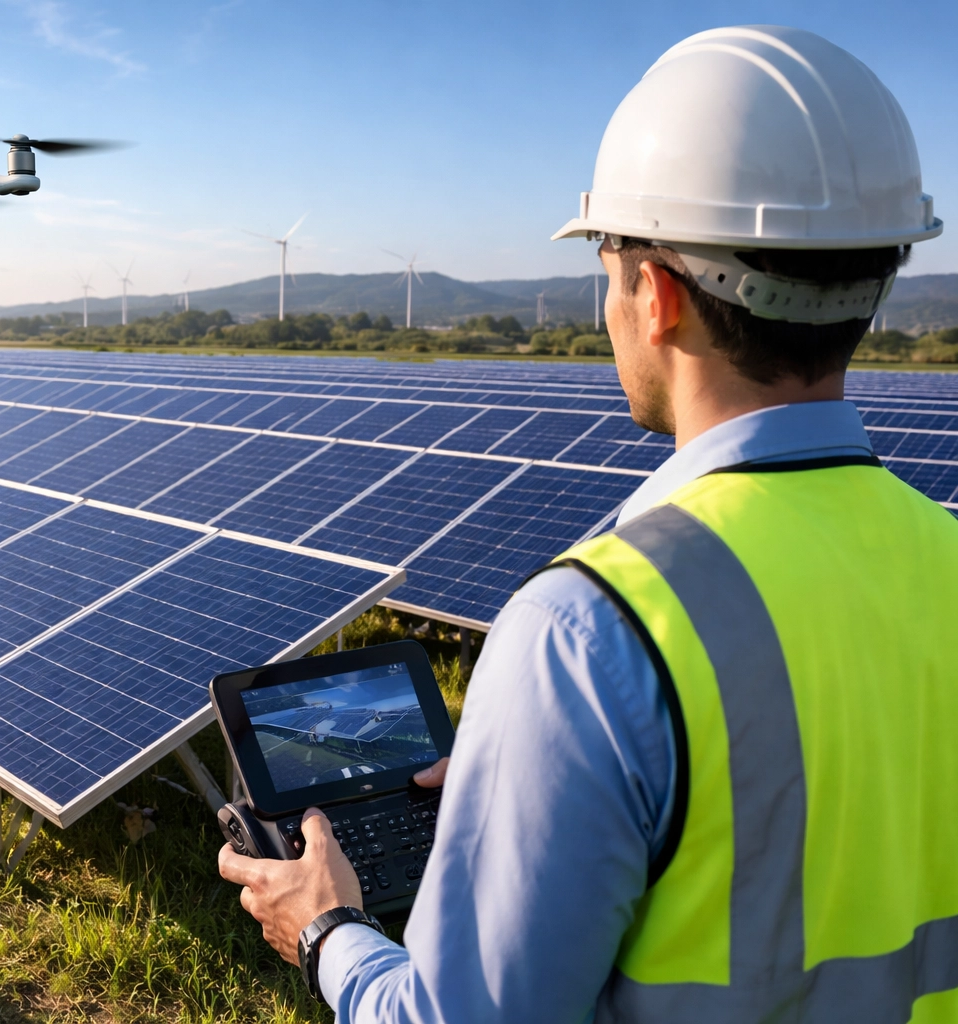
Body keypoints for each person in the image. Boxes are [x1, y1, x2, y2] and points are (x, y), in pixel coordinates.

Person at [219, 24, 958, 1023]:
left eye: (605, 261)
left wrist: (326, 931)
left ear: (653, 294)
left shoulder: (594, 631)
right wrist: (537, 767)